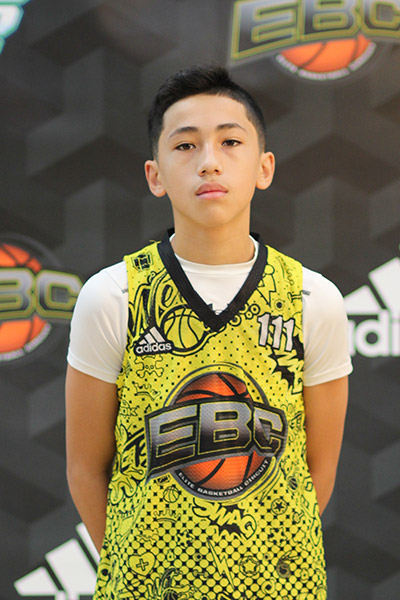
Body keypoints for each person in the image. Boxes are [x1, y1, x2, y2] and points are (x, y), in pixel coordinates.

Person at [66, 64, 352, 600]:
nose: (209, 161)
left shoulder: (313, 299)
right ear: (155, 176)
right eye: (185, 146)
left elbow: (319, 466)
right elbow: (85, 467)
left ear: (264, 167)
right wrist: (138, 573)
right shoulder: (113, 295)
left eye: (230, 141)